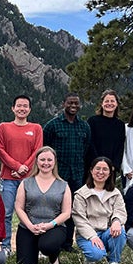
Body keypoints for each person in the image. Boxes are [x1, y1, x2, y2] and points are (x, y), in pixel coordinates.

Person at [0, 94, 43, 254]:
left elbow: (38, 151)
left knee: (32, 213)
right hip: (8, 178)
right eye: (19, 106)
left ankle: (32, 246)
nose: (22, 109)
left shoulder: (36, 128)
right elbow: (0, 150)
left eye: (25, 106)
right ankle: (6, 246)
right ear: (13, 108)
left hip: (29, 179)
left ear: (29, 109)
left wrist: (24, 168)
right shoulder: (3, 127)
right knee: (6, 213)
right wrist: (16, 166)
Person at [43, 93, 90, 251]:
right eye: (70, 102)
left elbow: (86, 149)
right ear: (64, 104)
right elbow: (45, 149)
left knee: (73, 209)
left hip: (77, 174)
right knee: (55, 208)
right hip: (58, 175)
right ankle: (52, 239)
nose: (73, 106)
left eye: (76, 103)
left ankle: (67, 243)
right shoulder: (52, 125)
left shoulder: (84, 127)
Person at [14, 146, 72, 264]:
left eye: (49, 160)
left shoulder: (63, 185)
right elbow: (19, 208)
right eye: (42, 159)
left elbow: (66, 213)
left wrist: (49, 225)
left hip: (53, 227)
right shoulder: (26, 182)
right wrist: (30, 226)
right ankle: (32, 248)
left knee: (48, 246)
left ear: (54, 162)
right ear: (36, 161)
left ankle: (53, 257)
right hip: (29, 226)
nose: (46, 163)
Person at [72, 156, 127, 264]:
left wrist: (116, 221)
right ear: (91, 171)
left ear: (110, 173)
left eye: (105, 169)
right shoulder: (81, 194)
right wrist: (92, 236)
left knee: (120, 230)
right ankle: (92, 256)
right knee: (96, 255)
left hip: (107, 231)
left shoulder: (115, 193)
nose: (101, 172)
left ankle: (114, 261)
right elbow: (79, 219)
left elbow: (120, 211)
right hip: (88, 234)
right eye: (97, 169)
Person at [86, 89, 125, 181]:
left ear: (117, 104)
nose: (109, 103)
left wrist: (114, 166)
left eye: (112, 101)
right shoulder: (93, 121)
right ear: (102, 104)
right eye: (106, 101)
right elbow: (90, 144)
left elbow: (120, 147)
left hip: (111, 169)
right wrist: (97, 164)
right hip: (93, 167)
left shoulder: (120, 125)